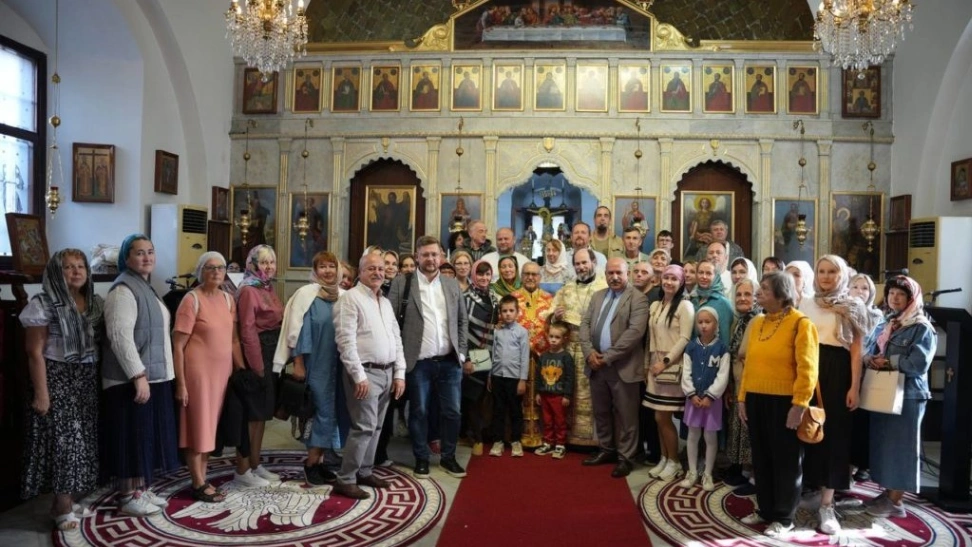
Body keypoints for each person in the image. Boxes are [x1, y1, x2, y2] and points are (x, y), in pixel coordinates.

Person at [21, 249, 104, 530]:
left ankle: (67, 500)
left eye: (81, 266)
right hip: (57, 376)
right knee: (65, 444)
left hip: (86, 376)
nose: (77, 271)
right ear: (57, 272)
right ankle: (62, 506)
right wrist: (42, 393)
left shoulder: (92, 303)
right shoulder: (42, 304)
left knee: (82, 441)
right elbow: (34, 352)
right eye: (69, 267)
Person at [736, 272, 820, 539]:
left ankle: (784, 518)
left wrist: (799, 404)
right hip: (756, 399)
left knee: (786, 462)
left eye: (764, 289)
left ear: (782, 294)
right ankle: (766, 509)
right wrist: (742, 397)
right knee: (762, 458)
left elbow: (808, 369)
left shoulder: (801, 323)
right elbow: (749, 364)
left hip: (786, 402)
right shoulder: (759, 321)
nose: (758, 293)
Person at [101, 234, 179, 516]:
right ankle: (126, 495)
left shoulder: (145, 287)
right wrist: (137, 374)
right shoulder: (123, 290)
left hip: (152, 376)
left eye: (150, 252)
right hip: (129, 381)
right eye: (139, 253)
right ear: (126, 258)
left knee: (144, 436)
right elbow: (120, 336)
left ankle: (140, 489)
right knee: (130, 436)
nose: (146, 257)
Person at [798, 255, 871, 534]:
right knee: (804, 430)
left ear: (841, 275)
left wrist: (854, 386)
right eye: (822, 271)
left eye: (832, 272)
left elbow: (856, 350)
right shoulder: (806, 302)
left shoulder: (852, 305)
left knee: (834, 436)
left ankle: (827, 504)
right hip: (807, 370)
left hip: (838, 372)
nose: (826, 276)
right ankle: (805, 490)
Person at [387, 235, 470, 480]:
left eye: (435, 254)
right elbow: (391, 323)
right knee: (419, 412)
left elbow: (462, 320)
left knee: (453, 412)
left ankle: (448, 457)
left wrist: (462, 353)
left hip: (449, 361)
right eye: (425, 255)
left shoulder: (451, 284)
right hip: (418, 362)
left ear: (441, 256)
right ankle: (421, 458)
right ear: (417, 256)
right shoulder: (403, 283)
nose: (431, 259)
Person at [331, 252, 407, 499]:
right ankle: (346, 478)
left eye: (381, 269)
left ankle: (364, 470)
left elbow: (396, 339)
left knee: (376, 427)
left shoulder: (384, 302)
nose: (377, 273)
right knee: (363, 427)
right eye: (371, 268)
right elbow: (345, 340)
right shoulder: (350, 299)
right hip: (364, 373)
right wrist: (358, 375)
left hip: (386, 372)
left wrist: (400, 373)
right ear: (361, 272)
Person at [863, 275, 936, 519]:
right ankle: (888, 493)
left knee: (902, 448)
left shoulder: (921, 327)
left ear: (911, 298)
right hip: (885, 390)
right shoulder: (889, 322)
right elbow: (872, 348)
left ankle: (896, 501)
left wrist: (889, 361)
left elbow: (918, 364)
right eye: (892, 293)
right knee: (886, 446)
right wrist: (870, 359)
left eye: (900, 294)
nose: (894, 298)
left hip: (909, 395)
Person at [273, 251, 349, 485]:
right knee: (318, 415)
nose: (328, 271)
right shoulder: (306, 295)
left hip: (339, 367)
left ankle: (322, 462)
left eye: (331, 266)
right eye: (322, 267)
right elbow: (300, 332)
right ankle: (310, 464)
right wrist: (298, 363)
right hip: (316, 366)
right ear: (315, 271)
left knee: (333, 415)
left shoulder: (343, 296)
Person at [173, 252, 238, 503]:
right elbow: (178, 345)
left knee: (210, 428)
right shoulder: (191, 299)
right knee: (197, 427)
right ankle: (198, 482)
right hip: (197, 374)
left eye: (221, 268)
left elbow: (232, 339)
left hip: (221, 375)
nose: (216, 272)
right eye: (210, 268)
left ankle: (203, 476)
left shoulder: (228, 299)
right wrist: (181, 383)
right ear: (201, 271)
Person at [579, 258, 650, 478]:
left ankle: (626, 458)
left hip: (623, 366)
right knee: (601, 412)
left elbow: (634, 334)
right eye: (610, 273)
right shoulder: (598, 295)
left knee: (626, 416)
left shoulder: (638, 299)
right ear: (605, 274)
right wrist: (589, 352)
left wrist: (607, 357)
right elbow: (585, 325)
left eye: (618, 272)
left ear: (627, 273)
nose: (614, 277)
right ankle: (606, 450)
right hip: (596, 366)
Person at [541, 248, 607, 447]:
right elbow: (550, 314)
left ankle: (592, 439)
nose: (581, 267)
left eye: (584, 263)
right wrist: (555, 316)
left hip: (593, 349)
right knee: (566, 391)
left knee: (591, 393)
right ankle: (565, 437)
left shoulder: (604, 287)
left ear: (593, 262)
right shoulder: (567, 288)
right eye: (577, 264)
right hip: (568, 349)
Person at [234, 244, 284, 486]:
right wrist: (257, 366)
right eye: (263, 262)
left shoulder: (266, 286)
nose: (268, 267)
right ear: (252, 264)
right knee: (252, 413)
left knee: (262, 412)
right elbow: (247, 330)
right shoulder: (247, 290)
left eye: (271, 262)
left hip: (271, 350)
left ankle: (255, 462)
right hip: (257, 353)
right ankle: (243, 471)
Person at [645, 264, 694, 481]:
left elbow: (684, 338)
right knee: (657, 416)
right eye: (666, 277)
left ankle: (674, 462)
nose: (669, 282)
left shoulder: (685, 306)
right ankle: (664, 459)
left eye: (674, 278)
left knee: (664, 416)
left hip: (672, 365)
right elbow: (651, 338)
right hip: (655, 365)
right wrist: (650, 362)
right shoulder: (655, 304)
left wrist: (664, 362)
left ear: (681, 282)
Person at [679, 306, 730, 492]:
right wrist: (691, 394)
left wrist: (711, 396)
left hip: (712, 403)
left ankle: (707, 472)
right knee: (693, 435)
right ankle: (692, 471)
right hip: (692, 400)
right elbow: (685, 372)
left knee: (710, 436)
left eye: (708, 322)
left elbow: (722, 375)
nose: (703, 326)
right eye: (700, 322)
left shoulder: (722, 349)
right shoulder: (691, 347)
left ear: (716, 324)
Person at [723, 277, 762, 495]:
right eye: (739, 294)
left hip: (752, 384)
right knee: (739, 427)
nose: (743, 298)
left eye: (748, 294)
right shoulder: (740, 320)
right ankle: (743, 470)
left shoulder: (758, 319)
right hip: (738, 382)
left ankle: (755, 477)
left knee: (751, 430)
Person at [510, 262, 553, 448]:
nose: (530, 277)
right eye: (526, 274)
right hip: (518, 356)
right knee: (518, 397)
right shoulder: (512, 298)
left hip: (542, 356)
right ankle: (516, 434)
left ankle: (544, 435)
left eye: (534, 274)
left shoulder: (549, 299)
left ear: (540, 276)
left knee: (542, 396)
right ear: (521, 275)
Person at [487, 295, 531, 457]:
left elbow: (525, 356)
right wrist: (490, 376)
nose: (507, 314)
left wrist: (522, 379)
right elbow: (492, 353)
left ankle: (516, 441)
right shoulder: (496, 332)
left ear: (517, 312)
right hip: (498, 376)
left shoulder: (522, 332)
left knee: (515, 410)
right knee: (498, 410)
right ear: (500, 312)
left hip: (514, 378)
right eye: (504, 311)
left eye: (511, 310)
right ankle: (498, 441)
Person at [462, 259, 497, 456]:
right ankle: (476, 437)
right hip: (473, 350)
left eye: (487, 274)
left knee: (484, 395)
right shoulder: (466, 297)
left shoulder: (494, 297)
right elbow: (463, 328)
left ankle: (476, 433)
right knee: (472, 396)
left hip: (489, 351)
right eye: (480, 274)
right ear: (474, 275)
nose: (484, 278)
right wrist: (467, 357)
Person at [534, 322, 574, 459]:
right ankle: (548, 442)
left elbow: (570, 377)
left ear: (564, 339)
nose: (553, 340)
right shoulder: (543, 356)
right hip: (545, 394)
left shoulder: (566, 357)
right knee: (547, 420)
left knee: (560, 421)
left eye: (557, 337)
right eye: (551, 336)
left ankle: (560, 444)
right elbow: (538, 375)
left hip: (559, 396)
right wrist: (538, 392)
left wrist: (567, 395)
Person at [690, 260, 734, 344]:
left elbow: (725, 338)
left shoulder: (723, 303)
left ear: (715, 276)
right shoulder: (693, 299)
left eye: (708, 273)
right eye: (701, 272)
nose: (704, 276)